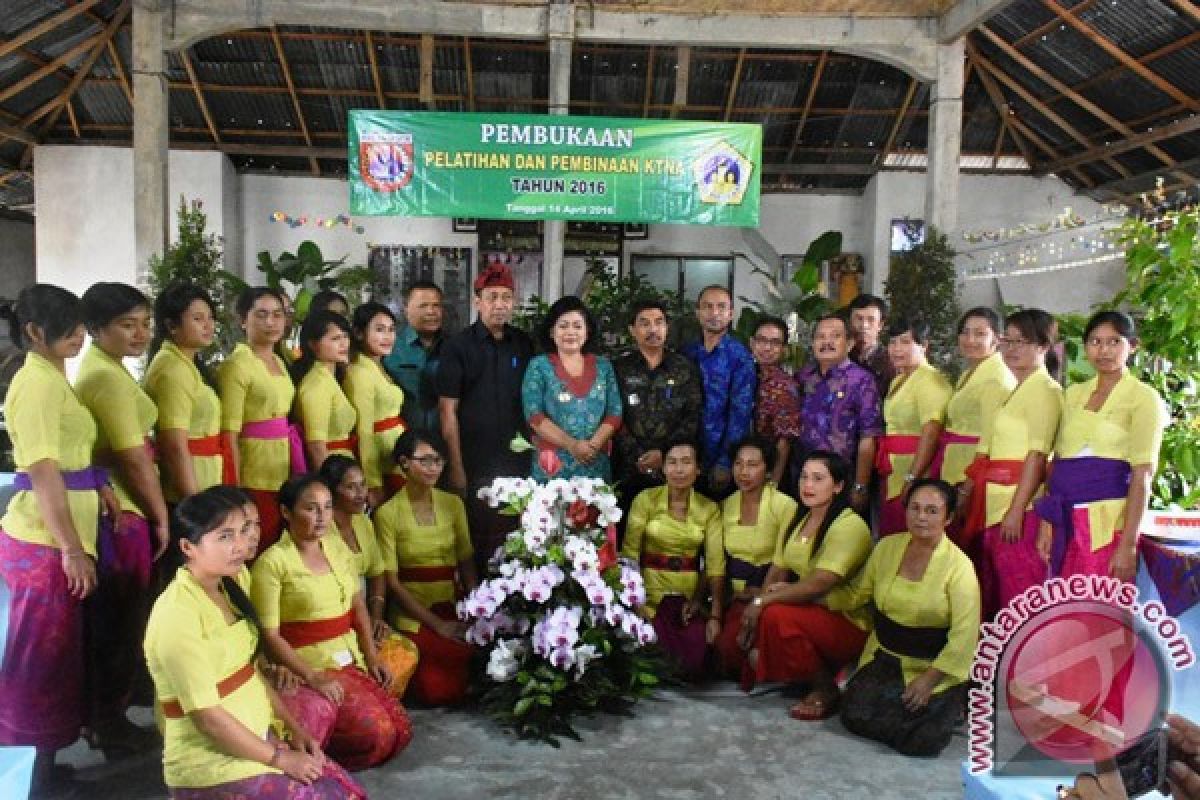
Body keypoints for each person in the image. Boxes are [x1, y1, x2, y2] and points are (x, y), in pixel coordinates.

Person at [144, 488, 364, 799]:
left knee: (345, 790)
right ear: (187, 547)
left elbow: (250, 674)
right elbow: (208, 719)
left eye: (241, 532)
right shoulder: (177, 615)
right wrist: (280, 758)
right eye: (224, 537)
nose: (239, 545)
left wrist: (293, 731)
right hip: (212, 763)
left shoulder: (230, 585)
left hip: (255, 737)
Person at [0, 285, 112, 796]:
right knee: (37, 660)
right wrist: (70, 548)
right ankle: (31, 775)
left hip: (63, 535)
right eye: (66, 328)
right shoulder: (38, 385)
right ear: (32, 332)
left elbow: (71, 457)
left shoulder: (53, 378)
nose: (78, 335)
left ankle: (45, 761)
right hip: (44, 543)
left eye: (81, 326)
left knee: (58, 657)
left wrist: (100, 487)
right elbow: (44, 472)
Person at [251, 475, 412, 771]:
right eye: (311, 509)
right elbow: (269, 635)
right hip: (311, 663)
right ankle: (313, 753)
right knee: (378, 734)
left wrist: (372, 656)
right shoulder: (271, 564)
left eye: (326, 507)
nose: (322, 517)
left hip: (349, 654)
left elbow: (357, 606)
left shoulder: (337, 550)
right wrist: (312, 678)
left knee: (401, 729)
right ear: (286, 513)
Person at [75, 283, 168, 757]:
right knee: (121, 619)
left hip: (122, 500)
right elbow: (133, 456)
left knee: (124, 618)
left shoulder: (110, 368)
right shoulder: (105, 377)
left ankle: (108, 716)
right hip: (124, 513)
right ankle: (106, 723)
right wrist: (161, 513)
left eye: (144, 323)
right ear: (95, 329)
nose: (140, 333)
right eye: (127, 325)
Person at [830, 479, 981, 757]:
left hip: (933, 667)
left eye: (932, 511)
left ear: (948, 518)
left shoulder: (960, 568)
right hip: (885, 656)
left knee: (926, 740)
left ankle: (945, 705)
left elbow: (966, 635)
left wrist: (929, 681)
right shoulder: (887, 547)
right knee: (854, 715)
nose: (921, 517)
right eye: (915, 508)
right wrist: (811, 593)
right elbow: (857, 595)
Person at [736, 451, 872, 714]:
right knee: (742, 645)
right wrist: (756, 610)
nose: (808, 486)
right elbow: (777, 570)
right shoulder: (799, 518)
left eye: (818, 479)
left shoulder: (849, 525)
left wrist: (764, 602)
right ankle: (810, 671)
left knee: (777, 616)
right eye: (804, 477)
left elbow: (820, 583)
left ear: (838, 486)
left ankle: (824, 688)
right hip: (813, 609)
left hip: (847, 618)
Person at [1035, 311, 1167, 582]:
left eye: (1114, 342)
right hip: (1064, 518)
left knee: (1101, 611)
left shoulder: (1144, 398)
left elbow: (1143, 474)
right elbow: (1057, 463)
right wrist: (1047, 522)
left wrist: (1129, 544)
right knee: (1065, 607)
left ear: (1133, 346)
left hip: (1110, 523)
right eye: (1095, 342)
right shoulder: (1073, 394)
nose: (1104, 350)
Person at [963, 309, 1063, 618]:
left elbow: (1038, 455)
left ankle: (1020, 664)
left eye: (1024, 342)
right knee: (996, 589)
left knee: (1018, 594)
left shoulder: (1046, 391)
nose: (1012, 348)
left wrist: (1018, 509)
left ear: (1044, 347)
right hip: (997, 502)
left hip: (1021, 506)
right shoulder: (1018, 387)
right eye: (1009, 340)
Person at [437, 261, 534, 570]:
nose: (499, 305)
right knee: (477, 539)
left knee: (519, 536)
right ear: (477, 301)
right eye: (492, 297)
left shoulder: (525, 344)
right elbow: (447, 410)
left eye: (506, 298)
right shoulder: (457, 347)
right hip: (474, 461)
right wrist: (455, 467)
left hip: (518, 461)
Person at [374, 430, 478, 706]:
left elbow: (466, 561)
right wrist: (437, 625)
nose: (433, 468)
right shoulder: (387, 513)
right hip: (414, 611)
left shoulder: (453, 504)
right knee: (434, 689)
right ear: (405, 462)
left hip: (450, 601)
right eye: (425, 460)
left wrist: (478, 606)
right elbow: (393, 583)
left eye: (438, 461)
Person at [621, 439, 725, 681]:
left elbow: (715, 566)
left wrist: (708, 609)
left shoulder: (709, 509)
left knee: (695, 661)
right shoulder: (644, 500)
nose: (679, 470)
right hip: (649, 594)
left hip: (688, 598)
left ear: (698, 469)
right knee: (653, 651)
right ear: (663, 468)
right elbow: (630, 556)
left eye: (686, 463)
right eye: (672, 463)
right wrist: (636, 604)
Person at [318, 456, 420, 698]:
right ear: (332, 492)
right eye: (350, 487)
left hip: (365, 615)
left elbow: (377, 573)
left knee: (406, 652)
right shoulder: (321, 528)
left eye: (363, 485)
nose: (360, 493)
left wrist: (375, 618)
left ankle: (378, 704)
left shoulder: (363, 522)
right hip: (339, 622)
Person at [611, 299, 703, 532]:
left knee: (667, 533)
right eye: (644, 323)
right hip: (627, 468)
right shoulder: (618, 368)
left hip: (672, 469)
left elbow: (692, 415)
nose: (653, 330)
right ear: (632, 330)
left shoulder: (684, 368)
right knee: (626, 532)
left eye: (659, 322)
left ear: (667, 327)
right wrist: (639, 456)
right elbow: (613, 415)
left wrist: (664, 454)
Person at [711, 436, 797, 681]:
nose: (743, 472)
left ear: (768, 470)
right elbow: (718, 561)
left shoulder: (784, 505)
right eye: (738, 464)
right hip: (734, 595)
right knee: (722, 648)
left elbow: (782, 562)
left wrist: (760, 599)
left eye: (752, 465)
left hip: (771, 593)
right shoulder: (725, 505)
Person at [219, 287, 297, 552]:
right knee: (255, 545)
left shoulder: (279, 360)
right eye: (261, 315)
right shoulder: (237, 365)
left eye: (277, 314)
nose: (271, 322)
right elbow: (229, 431)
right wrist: (236, 486)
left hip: (281, 464)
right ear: (243, 320)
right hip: (253, 469)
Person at [939, 308, 1016, 551]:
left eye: (980, 334)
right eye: (965, 333)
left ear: (997, 339)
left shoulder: (995, 377)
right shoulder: (972, 371)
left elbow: (991, 437)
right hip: (955, 464)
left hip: (971, 472)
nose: (970, 340)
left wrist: (968, 485)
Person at [522, 296, 622, 481]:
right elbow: (534, 416)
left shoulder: (604, 366)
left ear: (587, 331)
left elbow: (614, 413)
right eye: (563, 326)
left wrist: (593, 445)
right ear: (552, 332)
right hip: (552, 469)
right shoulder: (538, 366)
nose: (570, 332)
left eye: (577, 326)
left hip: (595, 463)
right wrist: (572, 445)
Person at [144, 283, 226, 502]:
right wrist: (194, 504)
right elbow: (174, 444)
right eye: (198, 319)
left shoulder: (188, 363)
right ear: (172, 325)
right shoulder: (173, 370)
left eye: (210, 318)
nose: (208, 326)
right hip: (189, 487)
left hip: (206, 475)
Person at [795, 313, 882, 515]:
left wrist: (861, 485)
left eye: (835, 336)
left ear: (850, 343)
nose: (827, 342)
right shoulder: (804, 376)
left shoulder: (861, 380)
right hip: (804, 478)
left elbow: (868, 437)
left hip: (843, 479)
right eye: (820, 337)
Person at [875, 317, 952, 536]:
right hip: (894, 468)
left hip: (915, 470)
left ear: (924, 346)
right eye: (893, 342)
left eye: (905, 342)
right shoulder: (899, 380)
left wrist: (913, 477)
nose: (897, 349)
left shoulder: (930, 381)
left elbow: (932, 431)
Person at [682, 285, 756, 498]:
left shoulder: (740, 357)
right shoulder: (687, 353)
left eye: (721, 307)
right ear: (698, 313)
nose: (714, 313)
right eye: (708, 307)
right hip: (685, 454)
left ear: (731, 314)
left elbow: (740, 415)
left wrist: (725, 461)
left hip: (718, 458)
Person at [343, 303, 406, 504]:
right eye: (379, 330)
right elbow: (364, 431)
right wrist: (372, 482)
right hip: (381, 461)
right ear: (359, 333)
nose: (387, 337)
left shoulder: (378, 366)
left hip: (393, 452)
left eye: (391, 330)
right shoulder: (359, 372)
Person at [292, 311, 358, 471]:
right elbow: (316, 446)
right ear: (313, 345)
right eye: (335, 338)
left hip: (344, 464)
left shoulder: (330, 378)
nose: (344, 344)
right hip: (334, 470)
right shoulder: (317, 385)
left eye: (345, 336)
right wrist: (330, 485)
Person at [383, 281, 445, 435]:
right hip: (402, 439)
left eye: (436, 305)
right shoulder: (390, 347)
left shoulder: (456, 347)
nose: (431, 311)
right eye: (423, 306)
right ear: (406, 310)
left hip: (444, 440)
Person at [749, 316, 802, 489]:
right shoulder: (743, 375)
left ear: (784, 349)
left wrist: (774, 482)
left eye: (775, 343)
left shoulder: (786, 386)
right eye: (761, 340)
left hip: (769, 469)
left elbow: (784, 440)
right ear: (752, 343)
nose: (767, 348)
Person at [848, 293, 895, 397]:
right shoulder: (841, 357)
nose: (864, 325)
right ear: (850, 322)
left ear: (880, 325)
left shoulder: (891, 363)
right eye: (859, 319)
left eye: (871, 320)